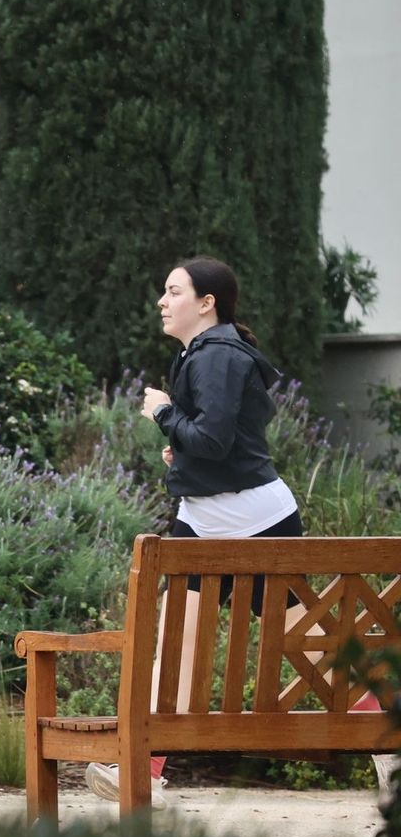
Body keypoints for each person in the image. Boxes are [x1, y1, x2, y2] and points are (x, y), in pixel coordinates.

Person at [84, 256, 394, 806]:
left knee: (315, 644)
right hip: (209, 520)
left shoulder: (218, 356)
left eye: (173, 290)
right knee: (187, 642)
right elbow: (223, 440)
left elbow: (217, 439)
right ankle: (143, 768)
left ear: (207, 303)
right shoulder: (207, 354)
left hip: (251, 521)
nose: (162, 300)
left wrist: (162, 414)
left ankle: (392, 745)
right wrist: (180, 452)